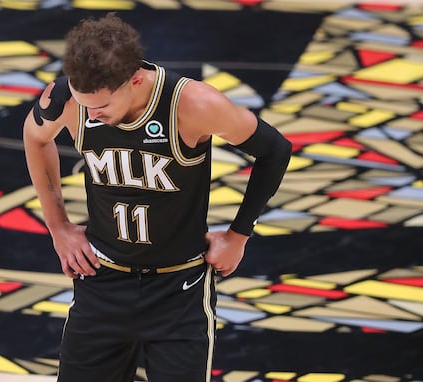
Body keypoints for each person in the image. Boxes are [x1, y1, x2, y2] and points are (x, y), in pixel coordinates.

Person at [23, 13, 291, 382]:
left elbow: (275, 150)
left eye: (100, 107)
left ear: (134, 80)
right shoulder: (65, 99)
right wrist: (59, 227)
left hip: (178, 291)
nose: (91, 115)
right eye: (85, 105)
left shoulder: (193, 103)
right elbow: (36, 137)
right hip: (102, 280)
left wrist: (238, 235)